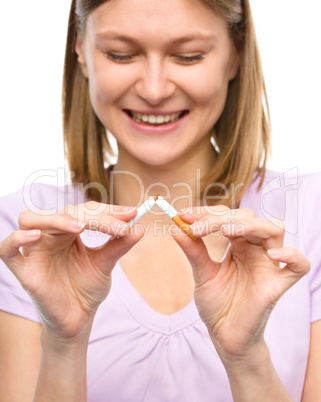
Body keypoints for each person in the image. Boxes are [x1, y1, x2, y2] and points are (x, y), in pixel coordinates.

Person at [0, 0, 320, 400]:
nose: (154, 90)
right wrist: (64, 344)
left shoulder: (310, 214)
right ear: (80, 49)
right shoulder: (28, 230)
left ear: (235, 54)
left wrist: (246, 358)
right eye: (121, 54)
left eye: (188, 56)